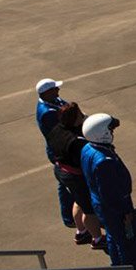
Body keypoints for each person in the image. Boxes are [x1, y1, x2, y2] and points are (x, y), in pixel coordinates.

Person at [81, 113, 136, 270]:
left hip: (101, 206)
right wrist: (126, 212)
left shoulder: (87, 149)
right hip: (116, 209)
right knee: (129, 246)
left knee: (114, 241)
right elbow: (111, 193)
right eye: (110, 129)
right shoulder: (104, 161)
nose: (112, 132)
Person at [46, 103, 105, 249]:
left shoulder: (56, 130)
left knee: (77, 200)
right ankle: (97, 239)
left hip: (61, 171)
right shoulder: (76, 141)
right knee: (89, 209)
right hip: (75, 176)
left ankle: (81, 231)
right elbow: (83, 161)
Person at [35, 78, 75, 228]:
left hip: (64, 148)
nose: (58, 91)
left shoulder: (54, 100)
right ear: (46, 93)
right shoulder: (47, 113)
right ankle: (68, 217)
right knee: (66, 184)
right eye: (55, 89)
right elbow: (63, 129)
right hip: (60, 151)